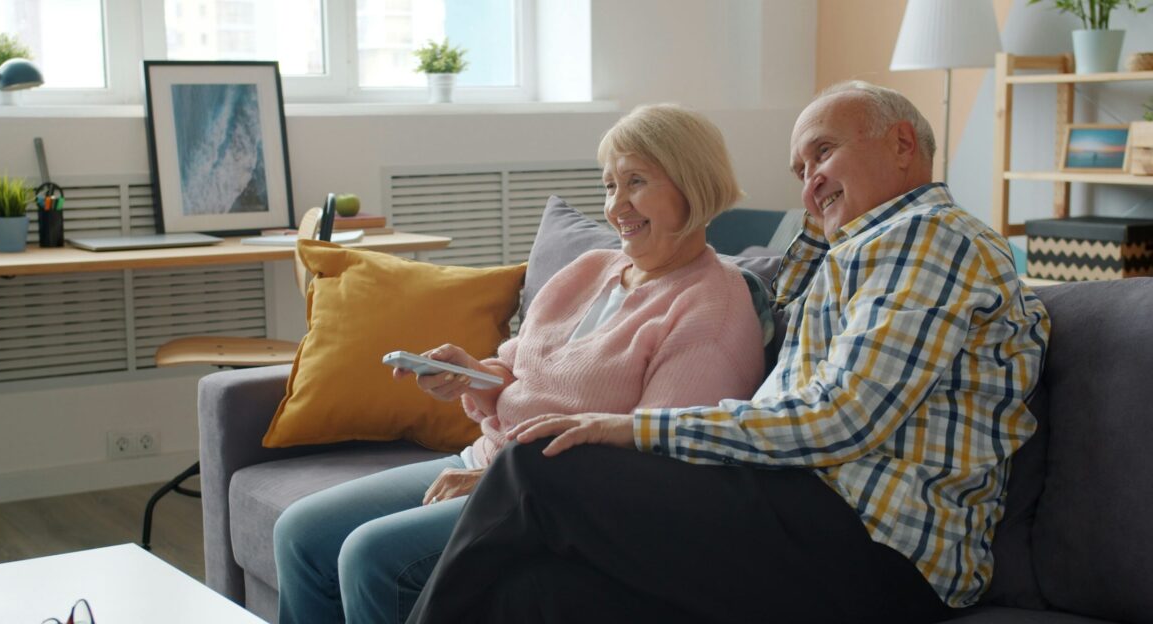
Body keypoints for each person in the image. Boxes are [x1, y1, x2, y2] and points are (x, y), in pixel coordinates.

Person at [406, 81, 1051, 624]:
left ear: (903, 145)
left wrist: (630, 429)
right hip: (793, 513)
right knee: (534, 595)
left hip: (878, 546)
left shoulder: (929, 238)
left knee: (536, 465)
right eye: (800, 171)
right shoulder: (852, 252)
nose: (809, 183)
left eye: (823, 153)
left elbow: (843, 418)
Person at [273, 103, 770, 624]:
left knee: (371, 557)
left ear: (693, 183)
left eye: (636, 182)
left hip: (551, 500)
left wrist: (502, 485)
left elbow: (648, 461)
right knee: (301, 535)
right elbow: (520, 367)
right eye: (609, 186)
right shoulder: (593, 268)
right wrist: (472, 374)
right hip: (489, 461)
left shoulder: (711, 312)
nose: (615, 205)